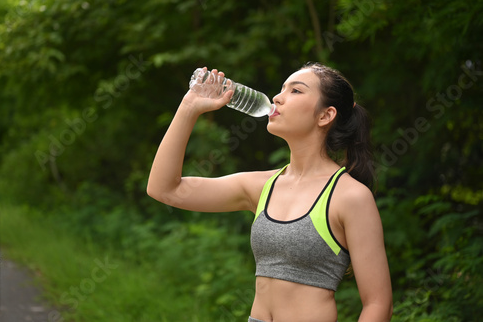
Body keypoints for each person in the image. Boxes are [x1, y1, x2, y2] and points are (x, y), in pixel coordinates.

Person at [147, 63, 393, 322]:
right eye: (281, 89)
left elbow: (378, 304)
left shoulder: (350, 196)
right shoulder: (262, 186)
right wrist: (189, 107)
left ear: (325, 115)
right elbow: (165, 189)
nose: (277, 97)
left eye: (296, 91)